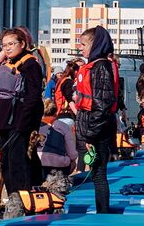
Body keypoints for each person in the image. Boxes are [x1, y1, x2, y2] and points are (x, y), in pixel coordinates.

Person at [0, 27, 43, 218]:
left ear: (23, 44)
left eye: (12, 44)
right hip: (4, 121)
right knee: (7, 164)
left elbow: (33, 96)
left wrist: (23, 125)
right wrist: (5, 50)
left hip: (19, 122)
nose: (7, 48)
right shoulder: (7, 62)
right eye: (4, 45)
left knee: (19, 164)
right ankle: (13, 200)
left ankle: (23, 203)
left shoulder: (30, 64)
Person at [75, 26, 123, 213]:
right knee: (96, 174)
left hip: (97, 130)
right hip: (92, 126)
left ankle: (103, 212)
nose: (81, 48)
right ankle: (102, 209)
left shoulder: (100, 67)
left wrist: (90, 136)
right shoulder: (95, 66)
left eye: (84, 44)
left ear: (95, 45)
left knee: (99, 174)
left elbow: (102, 104)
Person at [38, 98, 78, 181]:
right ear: (56, 112)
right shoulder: (63, 126)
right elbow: (72, 154)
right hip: (59, 165)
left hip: (39, 163)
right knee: (72, 161)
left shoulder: (37, 125)